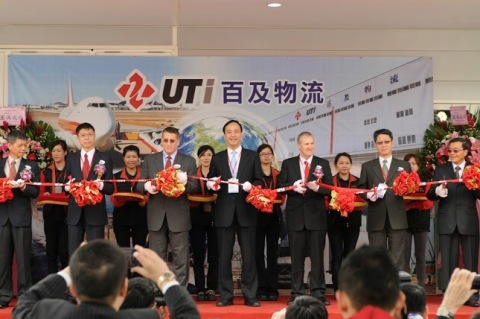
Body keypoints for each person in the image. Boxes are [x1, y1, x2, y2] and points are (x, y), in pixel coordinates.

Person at [12, 239, 201, 319]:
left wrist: (70, 271)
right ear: (123, 289)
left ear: (73, 289)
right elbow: (188, 315)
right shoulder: (146, 317)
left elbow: (24, 305)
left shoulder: (50, 312)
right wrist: (164, 276)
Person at [206, 119, 263, 307]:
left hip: (247, 210)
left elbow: (259, 181)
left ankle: (250, 295)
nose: (232, 135)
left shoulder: (252, 156)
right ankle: (225, 296)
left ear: (241, 134)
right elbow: (210, 181)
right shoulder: (218, 157)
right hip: (223, 211)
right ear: (224, 136)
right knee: (224, 256)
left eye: (236, 131)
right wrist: (211, 184)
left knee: (249, 255)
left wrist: (252, 186)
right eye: (229, 132)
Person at [137, 126, 198, 287]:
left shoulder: (189, 161)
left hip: (179, 215)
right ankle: (157, 293)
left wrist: (185, 184)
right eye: (166, 140)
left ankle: (180, 293)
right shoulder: (150, 160)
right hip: (156, 214)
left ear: (178, 142)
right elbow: (139, 183)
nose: (169, 144)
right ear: (161, 141)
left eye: (172, 141)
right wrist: (147, 187)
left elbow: (195, 186)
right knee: (156, 257)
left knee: (181, 257)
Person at [277, 131, 333, 306]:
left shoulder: (322, 163)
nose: (310, 147)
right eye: (306, 144)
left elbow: (330, 188)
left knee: (317, 258)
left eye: (312, 143)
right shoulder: (288, 164)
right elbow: (280, 187)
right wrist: (293, 188)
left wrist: (317, 188)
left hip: (316, 217)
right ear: (299, 145)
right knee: (297, 258)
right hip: (295, 217)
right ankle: (297, 292)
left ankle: (318, 292)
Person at [427, 137, 480, 307]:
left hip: (468, 219)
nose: (452, 154)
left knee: (470, 259)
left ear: (466, 152)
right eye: (449, 151)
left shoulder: (475, 170)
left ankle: (471, 294)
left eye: (456, 150)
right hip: (447, 218)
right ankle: (450, 295)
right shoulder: (441, 169)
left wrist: (475, 186)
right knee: (449, 259)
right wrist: (437, 191)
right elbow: (429, 193)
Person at [358, 128, 411, 269]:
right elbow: (361, 188)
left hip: (397, 217)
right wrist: (369, 195)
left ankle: (396, 289)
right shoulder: (368, 166)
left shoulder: (404, 165)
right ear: (375, 145)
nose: (383, 145)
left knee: (397, 259)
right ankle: (379, 290)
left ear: (392, 143)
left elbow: (412, 187)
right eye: (380, 142)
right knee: (377, 258)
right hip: (376, 217)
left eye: (386, 142)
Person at [0, 130, 40, 308]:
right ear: (9, 146)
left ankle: (25, 297)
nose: (24, 148)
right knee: (2, 260)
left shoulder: (31, 166)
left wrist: (24, 187)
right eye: (20, 145)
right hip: (2, 217)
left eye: (25, 145)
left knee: (24, 260)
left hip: (21, 217)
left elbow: (35, 191)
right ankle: (3, 295)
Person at [64, 122, 114, 256]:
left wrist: (101, 185)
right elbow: (65, 183)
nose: (87, 138)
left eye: (90, 135)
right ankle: (74, 277)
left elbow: (110, 188)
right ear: (78, 138)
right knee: (74, 254)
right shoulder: (71, 158)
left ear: (94, 136)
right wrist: (67, 187)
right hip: (75, 212)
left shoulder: (104, 158)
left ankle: (95, 278)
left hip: (95, 212)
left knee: (96, 254)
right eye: (83, 135)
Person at [327, 152, 361, 295]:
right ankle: (337, 288)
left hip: (353, 223)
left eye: (347, 163)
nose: (344, 166)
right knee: (337, 255)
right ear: (336, 165)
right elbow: (325, 201)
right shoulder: (330, 182)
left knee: (350, 255)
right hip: (335, 223)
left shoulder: (357, 181)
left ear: (351, 164)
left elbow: (362, 199)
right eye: (341, 163)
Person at [189, 145, 218, 301]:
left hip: (215, 216)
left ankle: (212, 287)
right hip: (196, 215)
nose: (207, 157)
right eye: (203, 155)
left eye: (209, 154)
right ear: (199, 157)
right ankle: (200, 288)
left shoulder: (218, 173)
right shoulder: (193, 174)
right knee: (199, 253)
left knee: (214, 253)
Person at [255, 143, 282, 301]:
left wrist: (271, 198)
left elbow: (282, 195)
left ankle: (273, 288)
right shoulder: (255, 175)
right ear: (258, 157)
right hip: (257, 217)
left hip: (274, 217)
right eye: (262, 154)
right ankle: (260, 287)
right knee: (257, 253)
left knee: (273, 254)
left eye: (268, 153)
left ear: (272, 156)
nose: (266, 156)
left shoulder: (278, 174)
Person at [402, 154, 433, 287]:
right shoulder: (400, 182)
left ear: (418, 166)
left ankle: (421, 285)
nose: (411, 166)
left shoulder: (425, 180)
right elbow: (398, 203)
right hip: (405, 220)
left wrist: (410, 204)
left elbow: (428, 203)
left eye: (414, 163)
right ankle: (405, 285)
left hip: (421, 220)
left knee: (420, 255)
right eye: (408, 163)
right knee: (405, 256)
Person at [40, 139, 69, 273]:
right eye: (53, 151)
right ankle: (51, 282)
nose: (56, 154)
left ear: (65, 152)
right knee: (51, 250)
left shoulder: (71, 171)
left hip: (66, 215)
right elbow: (40, 193)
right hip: (50, 214)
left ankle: (65, 283)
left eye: (59, 151)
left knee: (64, 251)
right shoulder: (45, 171)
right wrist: (45, 193)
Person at [112, 145, 148, 248]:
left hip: (141, 218)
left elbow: (150, 194)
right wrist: (119, 200)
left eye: (134, 157)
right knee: (123, 250)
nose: (131, 160)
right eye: (128, 157)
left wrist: (145, 200)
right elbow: (113, 196)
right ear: (123, 158)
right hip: (121, 218)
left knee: (139, 250)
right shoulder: (116, 176)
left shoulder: (145, 176)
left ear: (138, 158)